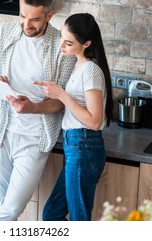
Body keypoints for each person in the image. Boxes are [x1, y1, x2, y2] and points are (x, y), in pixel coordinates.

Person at [0, 0, 76, 221]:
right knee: (2, 206)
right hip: (1, 132)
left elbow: (60, 102)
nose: (26, 24)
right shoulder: (3, 34)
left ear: (49, 16)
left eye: (35, 19)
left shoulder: (62, 46)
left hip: (34, 138)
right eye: (22, 16)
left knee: (10, 210)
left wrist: (33, 107)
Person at [35, 13, 113, 221]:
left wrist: (61, 94)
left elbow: (94, 121)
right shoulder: (79, 65)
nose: (62, 46)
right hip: (76, 146)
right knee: (52, 214)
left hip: (84, 146)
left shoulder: (90, 70)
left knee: (79, 220)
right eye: (62, 38)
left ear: (87, 43)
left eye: (68, 43)